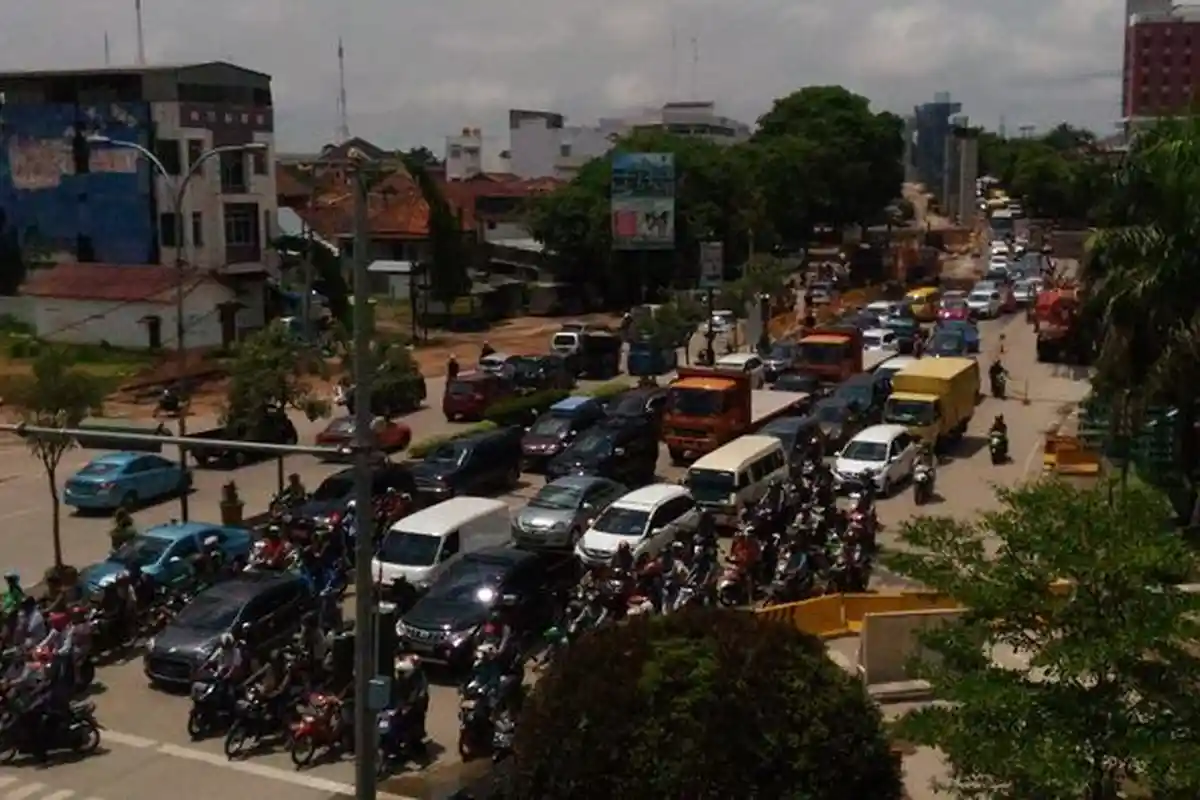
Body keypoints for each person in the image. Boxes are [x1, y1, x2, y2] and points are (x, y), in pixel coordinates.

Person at [391, 655, 429, 743]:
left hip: (417, 701)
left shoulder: (419, 676)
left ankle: (418, 735)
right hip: (404, 701)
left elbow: (419, 691)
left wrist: (410, 703)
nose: (400, 674)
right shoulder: (401, 678)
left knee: (417, 716)